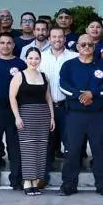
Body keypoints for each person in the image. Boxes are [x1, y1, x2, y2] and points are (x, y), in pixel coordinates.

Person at [58, 34, 103, 196]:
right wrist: (81, 95)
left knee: (100, 151)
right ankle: (68, 185)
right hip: (75, 115)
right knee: (71, 151)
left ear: (94, 47)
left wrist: (92, 93)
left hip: (97, 116)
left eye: (90, 45)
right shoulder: (69, 65)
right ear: (77, 47)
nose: (87, 48)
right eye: (83, 45)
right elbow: (63, 85)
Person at [10, 47, 55, 196]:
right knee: (28, 149)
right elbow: (12, 97)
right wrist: (17, 116)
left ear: (40, 60)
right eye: (31, 58)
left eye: (36, 58)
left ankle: (36, 181)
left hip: (42, 115)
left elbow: (48, 98)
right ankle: (27, 182)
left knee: (41, 149)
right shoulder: (19, 76)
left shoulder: (43, 76)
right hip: (26, 115)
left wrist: (52, 117)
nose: (33, 61)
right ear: (26, 59)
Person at [0, 33, 24, 191]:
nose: (5, 45)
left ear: (13, 45)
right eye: (2, 43)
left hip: (14, 111)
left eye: (9, 43)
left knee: (15, 147)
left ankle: (16, 179)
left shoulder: (21, 64)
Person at [40, 28, 77, 183]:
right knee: (45, 145)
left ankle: (69, 181)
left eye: (60, 37)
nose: (57, 39)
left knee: (70, 144)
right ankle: (42, 178)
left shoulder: (75, 57)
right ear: (49, 38)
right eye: (54, 37)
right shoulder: (40, 57)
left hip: (67, 107)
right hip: (45, 106)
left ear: (65, 38)